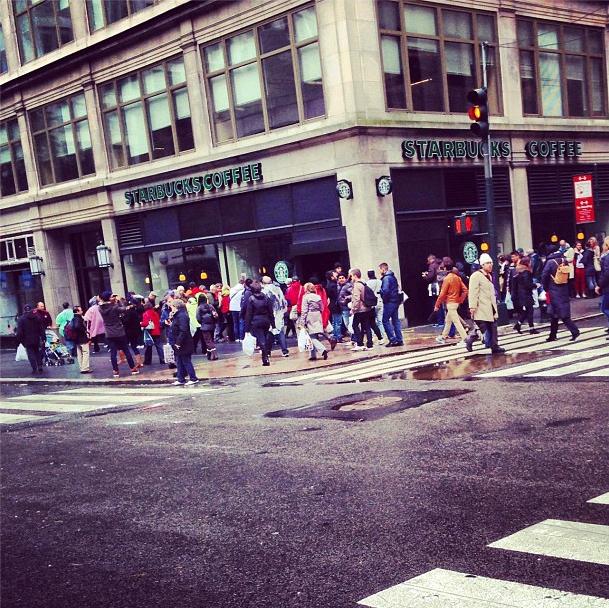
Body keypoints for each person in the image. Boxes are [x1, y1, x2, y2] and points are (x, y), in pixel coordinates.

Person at [466, 253, 505, 354]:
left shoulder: (489, 276)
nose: (490, 265)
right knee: (483, 327)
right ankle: (470, 339)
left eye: (491, 263)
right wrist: (472, 307)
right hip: (481, 306)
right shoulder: (476, 276)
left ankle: (494, 346)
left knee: (492, 326)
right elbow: (473, 292)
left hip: (490, 306)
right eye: (487, 263)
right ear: (482, 265)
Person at [98, 291, 139, 378]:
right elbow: (123, 309)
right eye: (112, 296)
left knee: (113, 352)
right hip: (119, 332)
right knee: (126, 350)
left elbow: (104, 304)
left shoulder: (100, 308)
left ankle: (115, 371)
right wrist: (119, 302)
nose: (114, 297)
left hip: (109, 333)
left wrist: (112, 302)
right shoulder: (115, 307)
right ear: (109, 298)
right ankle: (133, 368)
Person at [542, 251, 580, 342]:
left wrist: (546, 288)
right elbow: (568, 275)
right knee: (555, 313)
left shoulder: (550, 262)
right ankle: (552, 335)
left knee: (560, 313)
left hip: (553, 289)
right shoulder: (564, 261)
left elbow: (544, 275)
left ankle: (574, 330)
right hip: (564, 288)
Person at [434, 258, 468, 346]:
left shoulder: (447, 279)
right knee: (448, 320)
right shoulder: (457, 278)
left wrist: (437, 305)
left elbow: (442, 294)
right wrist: (460, 300)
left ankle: (465, 339)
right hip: (456, 302)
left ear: (445, 268)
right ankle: (443, 337)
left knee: (456, 322)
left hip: (450, 302)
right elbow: (465, 290)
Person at [243, 281, 275, 366]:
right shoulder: (266, 298)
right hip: (266, 320)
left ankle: (265, 357)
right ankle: (266, 354)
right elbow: (270, 312)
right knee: (264, 337)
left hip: (256, 321)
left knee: (261, 340)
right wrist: (273, 324)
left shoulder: (251, 299)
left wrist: (247, 328)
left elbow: (249, 314)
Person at [170, 299, 199, 385]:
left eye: (172, 306)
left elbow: (183, 330)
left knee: (186, 361)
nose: (171, 308)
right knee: (179, 361)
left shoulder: (182, 316)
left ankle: (193, 378)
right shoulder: (178, 315)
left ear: (176, 306)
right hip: (180, 341)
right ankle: (181, 379)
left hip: (184, 342)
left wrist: (178, 342)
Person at [261, 276, 290, 357]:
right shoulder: (278, 289)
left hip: (270, 314)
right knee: (280, 331)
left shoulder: (264, 291)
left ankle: (268, 352)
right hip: (279, 313)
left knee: (270, 332)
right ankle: (284, 351)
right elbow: (284, 301)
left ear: (263, 283)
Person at [300, 282, 328, 361]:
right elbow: (322, 307)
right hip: (318, 315)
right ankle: (312, 355)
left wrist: (302, 322)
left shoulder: (305, 297)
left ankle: (322, 349)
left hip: (310, 315)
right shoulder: (317, 296)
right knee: (315, 335)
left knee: (311, 336)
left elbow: (304, 311)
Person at [511, 256, 539, 334]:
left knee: (526, 311)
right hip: (526, 294)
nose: (531, 263)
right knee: (530, 311)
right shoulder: (526, 272)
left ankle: (518, 325)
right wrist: (535, 285)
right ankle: (531, 329)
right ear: (527, 263)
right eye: (530, 261)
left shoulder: (519, 271)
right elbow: (527, 284)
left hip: (521, 294)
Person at [379, 262, 403, 347]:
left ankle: (392, 339)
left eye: (380, 270)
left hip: (389, 302)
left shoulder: (386, 278)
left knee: (385, 320)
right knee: (395, 320)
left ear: (383, 269)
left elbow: (385, 290)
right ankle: (399, 339)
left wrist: (384, 298)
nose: (379, 272)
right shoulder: (393, 277)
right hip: (396, 301)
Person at [16, 304, 45, 374]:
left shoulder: (21, 319)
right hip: (36, 338)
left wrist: (20, 341)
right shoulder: (37, 317)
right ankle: (40, 365)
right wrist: (43, 337)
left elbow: (19, 332)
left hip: (27, 340)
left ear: (24, 310)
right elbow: (41, 329)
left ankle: (34, 368)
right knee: (37, 352)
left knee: (30, 354)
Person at [349, 268, 372, 351]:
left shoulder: (356, 285)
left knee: (354, 325)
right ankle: (369, 344)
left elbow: (356, 299)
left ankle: (359, 344)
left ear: (355, 276)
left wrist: (353, 309)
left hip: (360, 309)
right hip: (366, 308)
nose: (351, 278)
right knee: (366, 326)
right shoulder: (363, 283)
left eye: (351, 276)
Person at [122, 294, 145, 368]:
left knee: (131, 346)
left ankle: (137, 362)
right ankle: (139, 361)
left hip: (130, 331)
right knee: (134, 346)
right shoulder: (136, 311)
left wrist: (122, 318)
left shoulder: (129, 312)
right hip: (136, 331)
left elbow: (126, 321)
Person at [594, 236, 609, 339]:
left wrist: (599, 285)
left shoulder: (606, 258)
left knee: (604, 308)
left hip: (608, 287)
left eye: (604, 244)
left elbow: (606, 274)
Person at [70, 306, 92, 373]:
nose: (82, 311)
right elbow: (78, 327)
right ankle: (85, 368)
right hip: (82, 338)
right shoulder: (79, 318)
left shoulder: (73, 319)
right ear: (77, 311)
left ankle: (82, 367)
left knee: (79, 353)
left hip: (76, 339)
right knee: (85, 352)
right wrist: (84, 330)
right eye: (81, 310)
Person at [196, 293, 218, 360]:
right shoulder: (210, 306)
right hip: (212, 325)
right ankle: (209, 355)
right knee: (211, 340)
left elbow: (198, 318)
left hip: (204, 326)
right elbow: (215, 314)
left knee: (208, 341)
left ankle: (214, 354)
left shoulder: (199, 308)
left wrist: (202, 323)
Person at [366, 269, 385, 344]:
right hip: (380, 301)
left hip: (372, 303)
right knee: (380, 321)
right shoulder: (380, 281)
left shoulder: (367, 283)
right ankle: (383, 336)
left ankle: (374, 336)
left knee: (372, 321)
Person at [325, 270, 343, 344]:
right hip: (336, 304)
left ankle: (334, 336)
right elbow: (337, 295)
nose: (336, 275)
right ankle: (338, 337)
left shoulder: (328, 284)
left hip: (332, 304)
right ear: (331, 277)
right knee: (338, 322)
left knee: (334, 321)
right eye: (334, 274)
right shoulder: (334, 285)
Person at [229, 276, 246, 342]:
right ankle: (241, 338)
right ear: (243, 283)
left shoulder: (232, 289)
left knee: (235, 323)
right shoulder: (243, 290)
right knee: (241, 322)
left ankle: (237, 338)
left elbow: (230, 298)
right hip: (240, 308)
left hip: (233, 308)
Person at [337, 273, 353, 340]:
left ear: (345, 278)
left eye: (342, 278)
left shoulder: (348, 286)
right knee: (347, 324)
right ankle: (353, 339)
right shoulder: (338, 286)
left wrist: (346, 298)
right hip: (342, 308)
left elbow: (353, 294)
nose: (341, 279)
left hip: (347, 308)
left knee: (349, 324)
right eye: (340, 278)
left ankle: (355, 339)